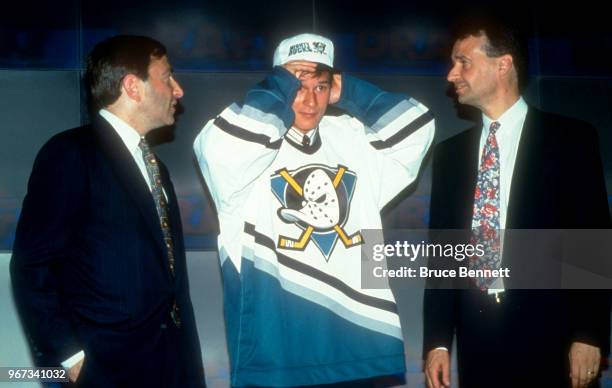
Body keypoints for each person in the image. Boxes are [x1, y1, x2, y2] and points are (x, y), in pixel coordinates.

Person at [194, 33, 434, 386]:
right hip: (276, 352)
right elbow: (219, 152)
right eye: (298, 86)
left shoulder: (352, 136)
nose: (309, 101)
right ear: (278, 84)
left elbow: (419, 126)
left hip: (362, 345)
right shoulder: (244, 138)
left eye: (320, 87)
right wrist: (280, 84)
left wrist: (348, 91)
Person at [423, 18, 611, 388]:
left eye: (463, 62)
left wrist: (589, 333)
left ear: (502, 64)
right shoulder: (450, 154)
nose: (451, 74)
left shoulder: (570, 139)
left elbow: (591, 241)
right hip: (478, 339)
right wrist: (438, 342)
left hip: (553, 336)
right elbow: (443, 254)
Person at [10, 35, 206, 388]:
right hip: (106, 372)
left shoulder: (155, 167)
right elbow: (32, 266)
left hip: (169, 367)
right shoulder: (70, 154)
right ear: (133, 87)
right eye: (167, 77)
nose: (178, 90)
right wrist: (72, 358)